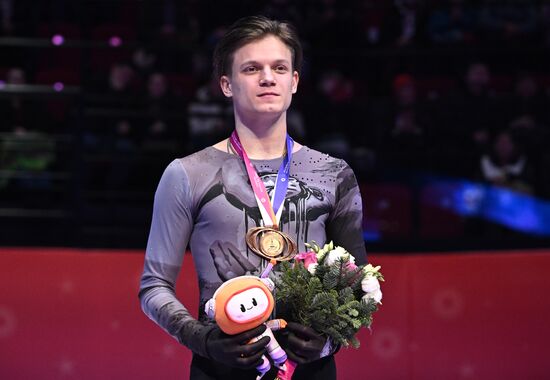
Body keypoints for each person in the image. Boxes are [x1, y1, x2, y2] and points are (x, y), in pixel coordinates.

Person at [138, 15, 367, 380]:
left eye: (279, 67)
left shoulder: (334, 174)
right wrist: (204, 340)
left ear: (294, 82)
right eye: (251, 68)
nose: (267, 78)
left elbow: (358, 284)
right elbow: (153, 287)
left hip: (311, 371)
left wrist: (328, 341)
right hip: (220, 370)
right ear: (227, 84)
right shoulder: (187, 174)